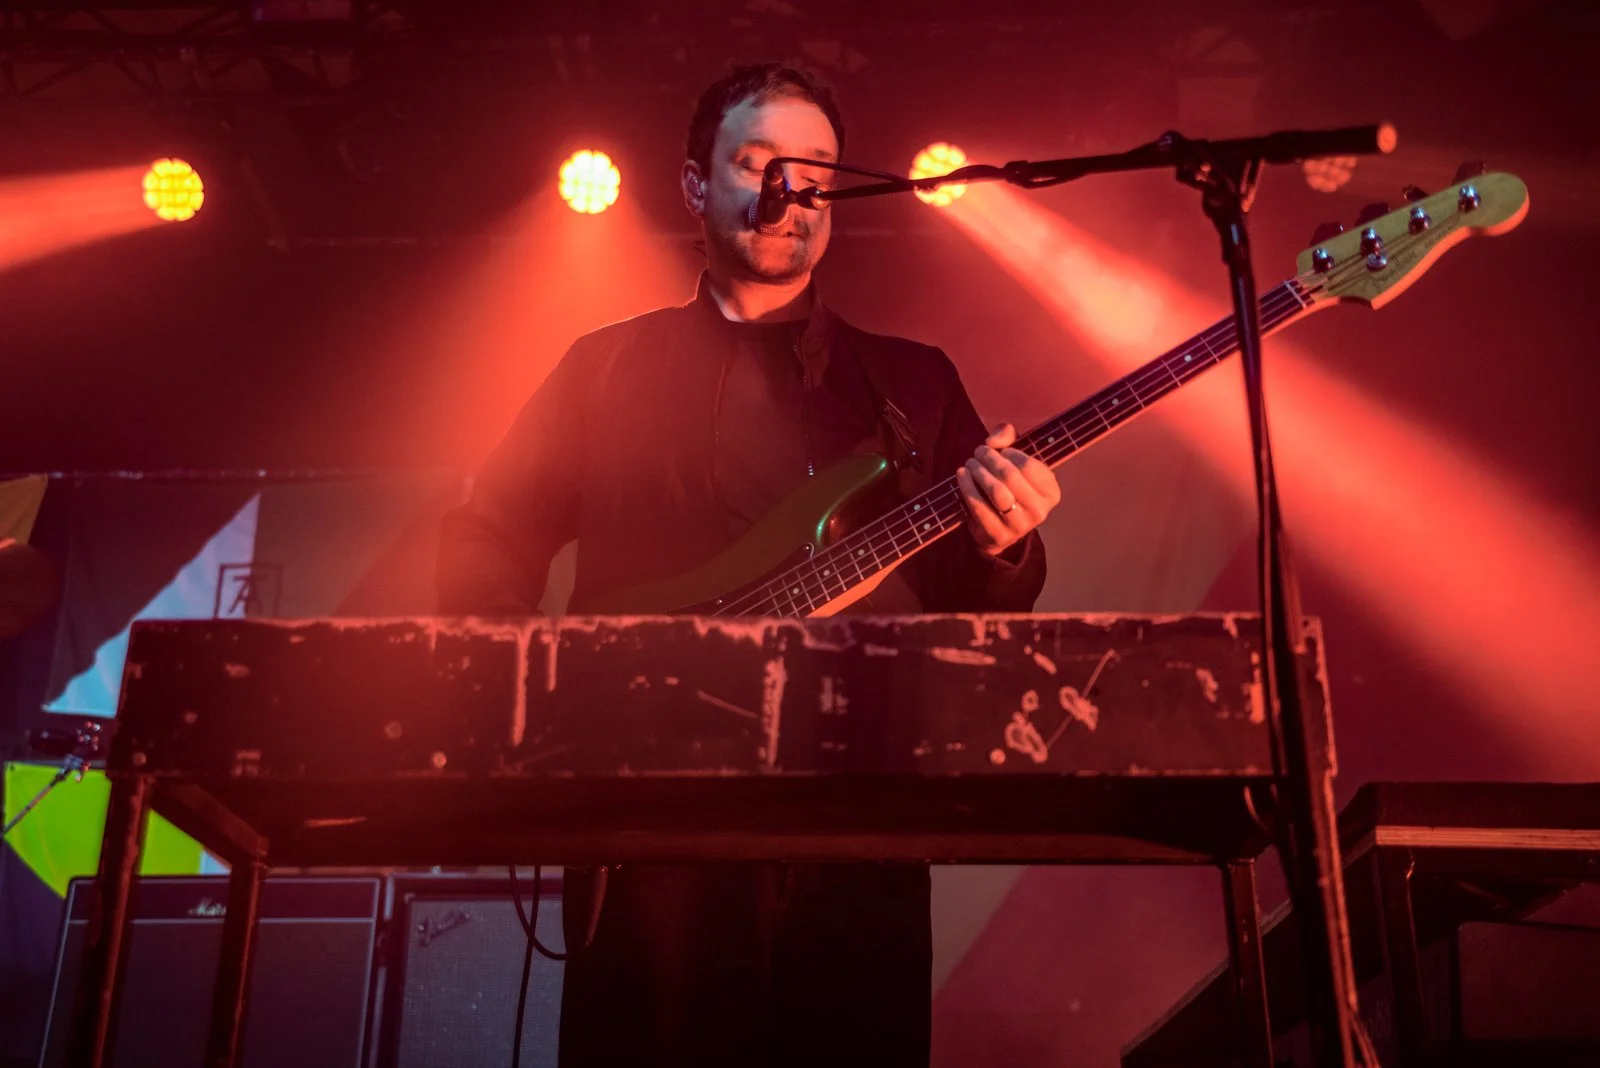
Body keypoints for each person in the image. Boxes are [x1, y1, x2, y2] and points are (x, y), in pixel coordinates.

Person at [436, 63, 1062, 1067]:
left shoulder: (911, 380)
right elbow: (485, 532)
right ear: (695, 185)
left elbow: (980, 600)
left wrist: (1004, 542)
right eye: (755, 162)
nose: (787, 190)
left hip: (858, 817)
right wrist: (529, 684)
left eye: (811, 168)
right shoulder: (603, 369)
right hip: (654, 826)